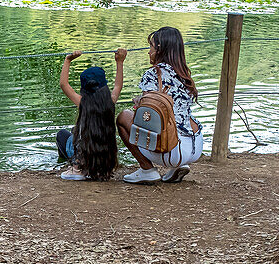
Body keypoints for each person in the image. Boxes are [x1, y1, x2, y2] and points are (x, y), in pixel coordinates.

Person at [117, 27, 203, 184]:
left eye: (151, 47)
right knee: (179, 116)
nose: (149, 52)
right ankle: (179, 166)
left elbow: (146, 118)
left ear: (159, 48)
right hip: (194, 147)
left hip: (171, 150)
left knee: (123, 117)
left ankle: (147, 170)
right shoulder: (184, 74)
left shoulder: (153, 74)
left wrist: (139, 104)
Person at [56, 48, 126, 181]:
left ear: (84, 88)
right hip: (105, 158)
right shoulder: (110, 101)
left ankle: (75, 167)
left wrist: (68, 60)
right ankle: (96, 168)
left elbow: (64, 84)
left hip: (84, 157)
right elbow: (118, 86)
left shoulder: (83, 103)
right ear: (104, 85)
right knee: (74, 131)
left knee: (62, 135)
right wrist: (119, 62)